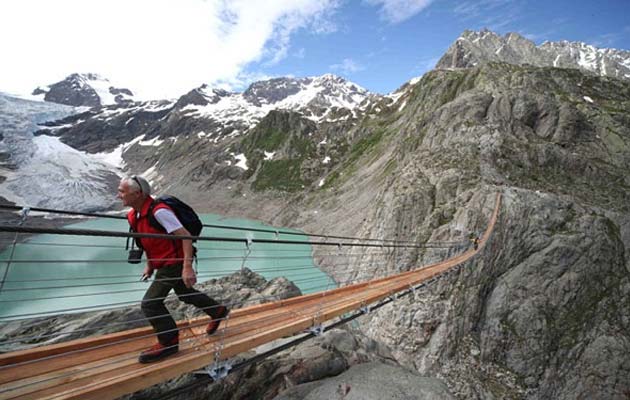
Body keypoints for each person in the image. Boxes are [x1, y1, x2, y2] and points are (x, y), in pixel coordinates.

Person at [117, 175, 229, 363]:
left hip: (174, 263)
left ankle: (169, 341)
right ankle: (217, 311)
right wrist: (150, 264)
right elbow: (148, 241)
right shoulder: (133, 215)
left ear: (137, 194)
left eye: (122, 191)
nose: (118, 195)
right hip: (163, 262)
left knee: (150, 303)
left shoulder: (160, 212)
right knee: (185, 294)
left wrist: (187, 267)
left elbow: (185, 236)